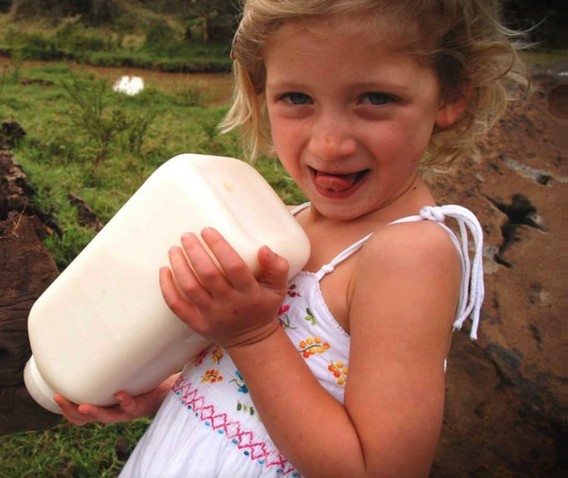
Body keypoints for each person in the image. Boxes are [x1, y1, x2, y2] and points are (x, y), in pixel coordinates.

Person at [55, 0, 531, 476]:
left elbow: (379, 469)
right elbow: (243, 389)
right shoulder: (287, 221)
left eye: (376, 98)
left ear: (449, 97)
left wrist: (252, 334)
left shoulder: (408, 254)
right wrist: (161, 393)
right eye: (297, 99)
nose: (330, 143)